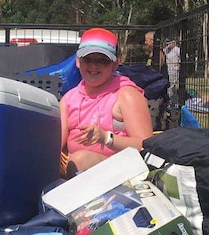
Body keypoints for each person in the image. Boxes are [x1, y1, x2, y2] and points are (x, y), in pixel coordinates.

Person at [61, 28, 153, 176]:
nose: (94, 66)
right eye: (88, 59)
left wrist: (106, 138)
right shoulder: (68, 99)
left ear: (115, 64)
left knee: (80, 160)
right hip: (76, 173)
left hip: (123, 173)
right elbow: (53, 145)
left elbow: (147, 146)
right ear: (78, 61)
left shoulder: (126, 94)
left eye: (102, 61)